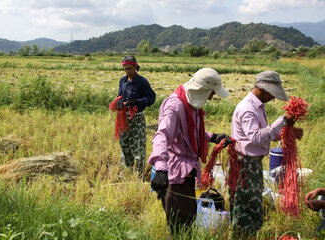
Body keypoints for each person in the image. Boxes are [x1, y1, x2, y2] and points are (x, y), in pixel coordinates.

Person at [149, 68, 232, 235]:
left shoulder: (192, 104)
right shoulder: (175, 106)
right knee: (180, 223)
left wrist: (213, 137)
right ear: (202, 89)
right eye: (211, 93)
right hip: (174, 172)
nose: (211, 97)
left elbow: (190, 131)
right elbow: (162, 136)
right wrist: (160, 169)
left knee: (188, 218)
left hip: (187, 170)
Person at [230, 70, 304, 236]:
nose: (273, 98)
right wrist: (283, 120)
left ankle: (249, 234)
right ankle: (242, 236)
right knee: (246, 207)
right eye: (272, 94)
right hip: (244, 164)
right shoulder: (247, 109)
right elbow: (256, 137)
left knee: (253, 205)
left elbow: (264, 133)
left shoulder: (258, 106)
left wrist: (288, 132)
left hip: (252, 163)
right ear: (261, 90)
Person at [116, 55, 156, 174]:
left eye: (130, 69)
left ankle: (139, 174)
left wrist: (137, 102)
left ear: (135, 67)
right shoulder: (122, 81)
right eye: (126, 69)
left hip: (137, 118)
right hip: (124, 117)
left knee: (138, 145)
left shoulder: (142, 82)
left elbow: (151, 98)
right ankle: (127, 170)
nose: (128, 71)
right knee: (125, 144)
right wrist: (118, 101)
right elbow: (119, 95)